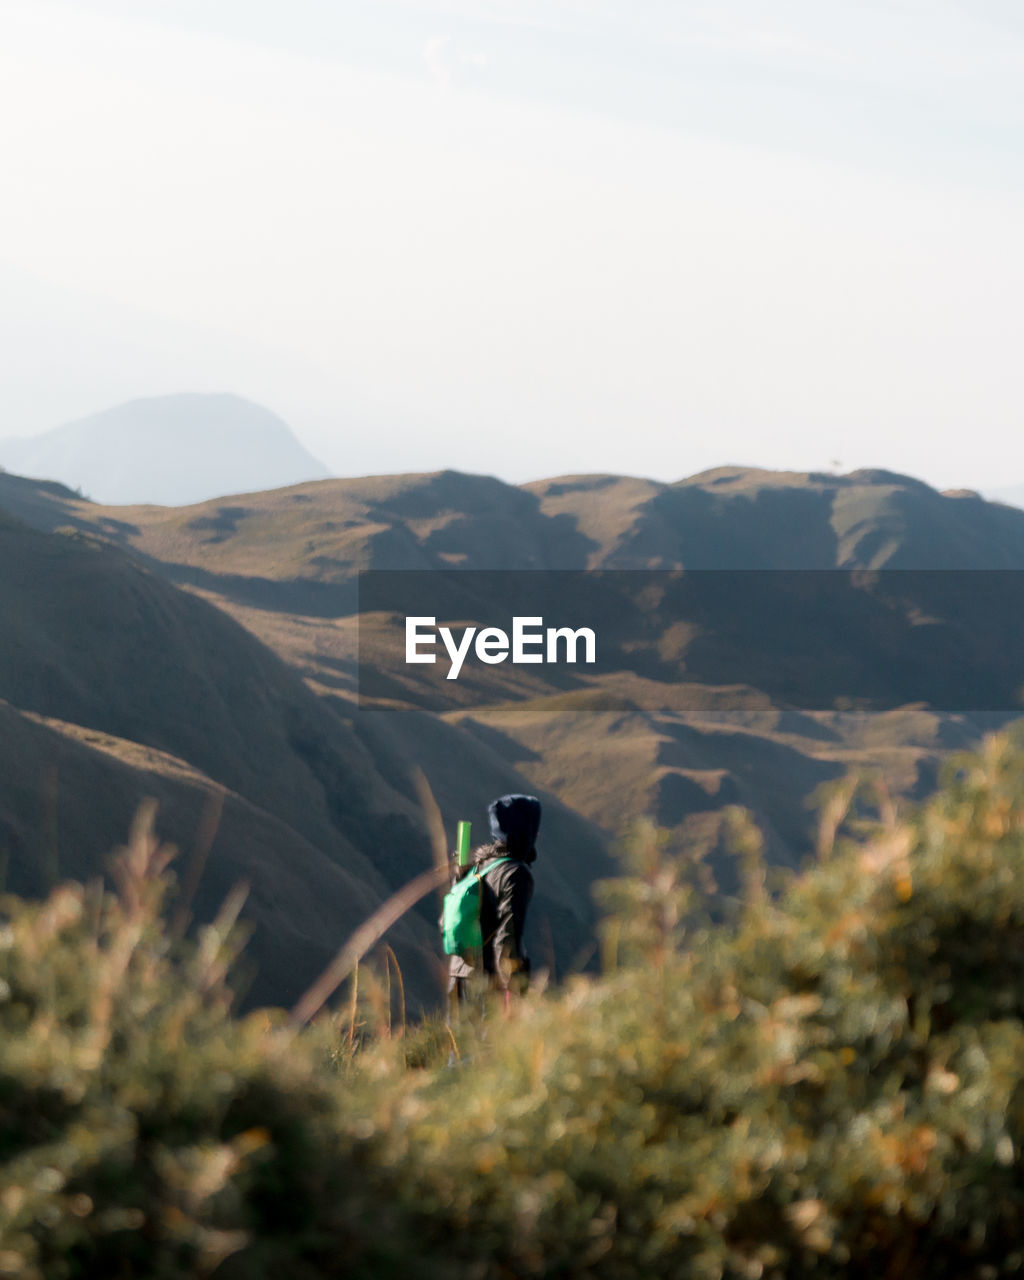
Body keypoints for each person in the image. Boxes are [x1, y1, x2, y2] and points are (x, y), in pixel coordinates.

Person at [447, 793, 540, 1011]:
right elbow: (508, 937)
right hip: (489, 984)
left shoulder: (476, 866)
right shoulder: (515, 873)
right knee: (490, 1046)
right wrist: (516, 989)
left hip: (458, 976)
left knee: (460, 1045)